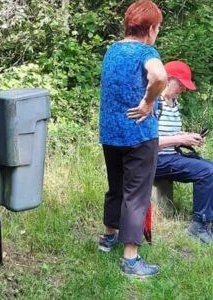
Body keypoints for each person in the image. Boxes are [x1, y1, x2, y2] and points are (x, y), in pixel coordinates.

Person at [98, 0, 167, 278]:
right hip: (139, 134)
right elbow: (160, 76)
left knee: (116, 187)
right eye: (158, 28)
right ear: (150, 28)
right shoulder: (146, 51)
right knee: (136, 196)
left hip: (111, 133)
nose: (157, 33)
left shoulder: (112, 51)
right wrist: (149, 101)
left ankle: (107, 238)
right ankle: (130, 259)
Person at [155, 60, 213, 244]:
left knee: (210, 167)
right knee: (206, 172)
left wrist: (188, 136)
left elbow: (168, 133)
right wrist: (180, 140)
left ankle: (207, 220)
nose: (184, 89)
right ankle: (198, 226)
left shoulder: (173, 102)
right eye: (181, 84)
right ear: (168, 79)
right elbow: (148, 142)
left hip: (170, 156)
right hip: (153, 160)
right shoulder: (153, 102)